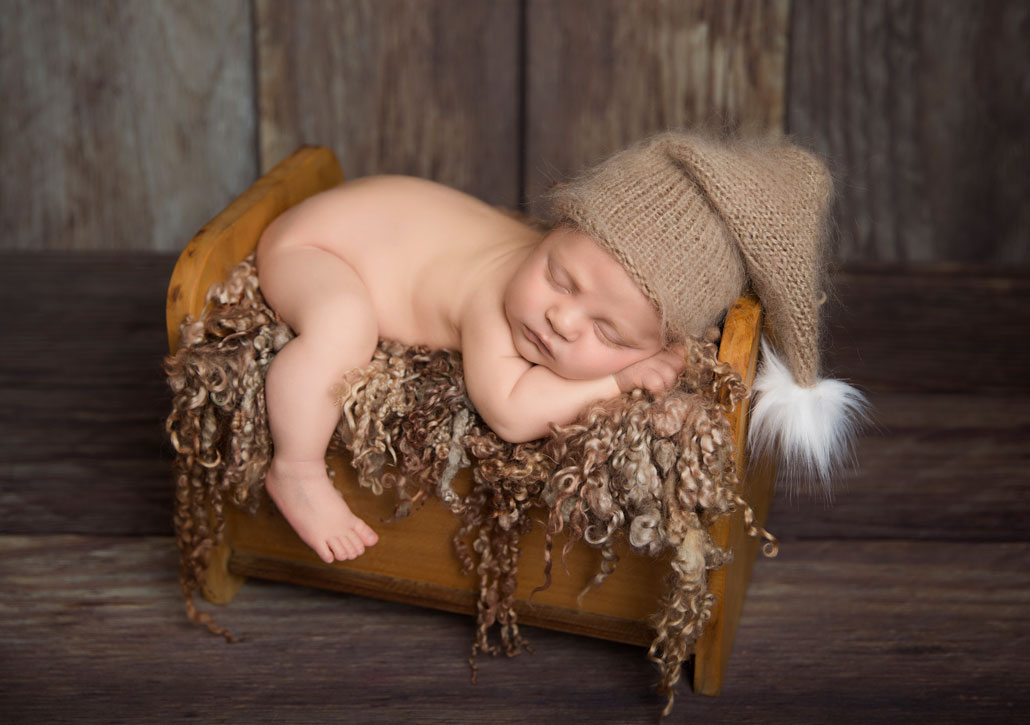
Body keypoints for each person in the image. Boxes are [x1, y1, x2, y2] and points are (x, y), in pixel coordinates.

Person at [255, 130, 869, 565]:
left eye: (608, 333)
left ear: (667, 343)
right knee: (344, 328)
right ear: (553, 230)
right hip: (316, 249)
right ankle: (297, 467)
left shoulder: (561, 279)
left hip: (371, 215)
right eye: (558, 276)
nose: (560, 318)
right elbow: (512, 411)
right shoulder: (491, 303)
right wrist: (617, 380)